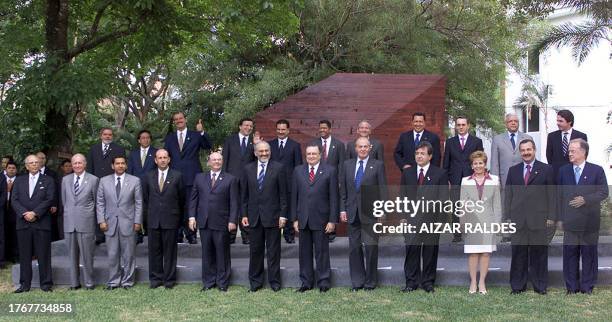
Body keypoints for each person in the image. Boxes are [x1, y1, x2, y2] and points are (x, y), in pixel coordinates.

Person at [504, 139, 556, 295]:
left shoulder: (546, 169)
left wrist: (551, 216)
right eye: (523, 150)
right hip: (518, 219)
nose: (526, 153)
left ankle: (540, 286)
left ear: (534, 150)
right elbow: (508, 195)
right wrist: (507, 217)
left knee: (539, 254)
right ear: (520, 152)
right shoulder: (513, 170)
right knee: (518, 254)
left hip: (539, 219)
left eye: (529, 149)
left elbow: (552, 195)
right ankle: (517, 286)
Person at [558, 139, 608, 294]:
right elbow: (558, 195)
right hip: (570, 222)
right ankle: (571, 288)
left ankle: (587, 287)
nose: (569, 153)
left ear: (583, 152)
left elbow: (603, 192)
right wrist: (559, 218)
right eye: (569, 150)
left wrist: (586, 200)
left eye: (573, 150)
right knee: (570, 254)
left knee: (588, 255)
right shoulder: (563, 170)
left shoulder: (597, 170)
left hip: (589, 222)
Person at [339, 137, 387, 291]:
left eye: (366, 146)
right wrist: (342, 209)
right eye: (360, 146)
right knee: (354, 248)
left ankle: (370, 282)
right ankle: (357, 282)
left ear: (370, 147)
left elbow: (383, 190)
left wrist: (382, 211)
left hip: (372, 213)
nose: (363, 149)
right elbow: (343, 191)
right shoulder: (347, 165)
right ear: (355, 147)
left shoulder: (378, 165)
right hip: (352, 212)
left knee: (371, 248)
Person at [400, 141, 448, 293]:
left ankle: (428, 282)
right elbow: (402, 197)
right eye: (417, 153)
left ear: (430, 156)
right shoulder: (407, 173)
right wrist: (402, 216)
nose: (419, 156)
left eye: (422, 153)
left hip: (431, 220)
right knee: (412, 251)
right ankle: (411, 282)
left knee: (429, 252)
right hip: (411, 220)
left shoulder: (439, 173)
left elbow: (443, 198)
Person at [189, 152, 239, 292]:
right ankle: (208, 282)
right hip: (204, 222)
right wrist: (191, 217)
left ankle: (222, 282)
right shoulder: (199, 178)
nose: (216, 162)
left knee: (222, 253)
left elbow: (234, 202)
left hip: (222, 222)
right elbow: (193, 199)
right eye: (214, 160)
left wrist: (232, 220)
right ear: (209, 162)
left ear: (222, 162)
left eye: (219, 160)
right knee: (207, 253)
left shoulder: (230, 179)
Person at [241, 141, 288, 292]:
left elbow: (283, 195)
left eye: (266, 151)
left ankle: (274, 282)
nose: (264, 154)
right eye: (260, 151)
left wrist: (283, 215)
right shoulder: (248, 169)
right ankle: (255, 282)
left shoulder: (279, 168)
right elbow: (244, 195)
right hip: (254, 217)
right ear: (255, 153)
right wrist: (244, 214)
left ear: (270, 151)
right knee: (255, 251)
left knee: (273, 251)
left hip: (273, 217)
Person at [291, 144, 338, 293]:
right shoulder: (298, 171)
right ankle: (306, 282)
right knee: (304, 253)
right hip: (303, 218)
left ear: (320, 155)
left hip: (322, 219)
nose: (311, 156)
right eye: (308, 154)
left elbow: (334, 198)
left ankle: (323, 281)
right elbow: (294, 197)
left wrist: (332, 220)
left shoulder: (330, 171)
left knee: (322, 252)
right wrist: (295, 219)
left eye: (314, 154)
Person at [164, 112, 211, 244]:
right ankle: (178, 233)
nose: (179, 121)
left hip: (192, 175)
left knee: (192, 205)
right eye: (176, 119)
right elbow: (166, 156)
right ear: (174, 122)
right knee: (176, 205)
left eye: (181, 118)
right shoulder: (170, 138)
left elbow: (208, 145)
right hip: (174, 177)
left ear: (185, 119)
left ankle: (191, 233)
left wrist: (201, 132)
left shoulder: (195, 135)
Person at [96, 156, 143, 290]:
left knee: (129, 255)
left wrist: (137, 221)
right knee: (112, 255)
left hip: (128, 223)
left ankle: (127, 282)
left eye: (123, 163)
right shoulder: (104, 181)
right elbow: (100, 202)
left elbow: (139, 203)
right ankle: (113, 282)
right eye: (117, 163)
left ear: (126, 166)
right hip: (109, 224)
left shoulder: (135, 181)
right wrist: (101, 220)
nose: (120, 166)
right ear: (113, 166)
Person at [11, 155, 56, 293]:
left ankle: (46, 284)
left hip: (41, 222)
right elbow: (14, 200)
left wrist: (35, 213)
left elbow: (49, 199)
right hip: (23, 223)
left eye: (37, 162)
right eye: (31, 163)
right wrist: (25, 213)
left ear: (40, 164)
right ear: (26, 166)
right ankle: (24, 284)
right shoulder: (19, 180)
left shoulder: (48, 180)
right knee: (24, 255)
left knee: (44, 254)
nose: (34, 165)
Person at [460, 151, 501, 295]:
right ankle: (473, 281)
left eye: (480, 163)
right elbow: (462, 204)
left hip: (488, 221)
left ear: (485, 164)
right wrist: (462, 222)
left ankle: (482, 281)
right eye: (475, 163)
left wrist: (497, 223)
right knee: (472, 253)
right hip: (472, 221)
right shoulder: (465, 181)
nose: (478, 165)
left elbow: (497, 205)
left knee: (485, 253)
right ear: (472, 166)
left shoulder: (494, 180)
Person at [142, 149, 184, 289]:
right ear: (155, 160)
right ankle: (155, 279)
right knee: (154, 251)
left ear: (169, 159)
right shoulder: (148, 176)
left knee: (170, 252)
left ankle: (169, 280)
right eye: (160, 158)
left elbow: (182, 198)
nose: (162, 160)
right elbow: (146, 199)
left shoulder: (177, 176)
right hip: (153, 219)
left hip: (171, 219)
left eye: (165, 157)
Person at [61, 154, 99, 290]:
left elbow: (97, 202)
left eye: (79, 163)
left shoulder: (94, 180)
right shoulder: (65, 180)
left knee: (87, 255)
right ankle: (74, 283)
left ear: (85, 164)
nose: (77, 165)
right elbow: (64, 201)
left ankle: (89, 282)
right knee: (72, 256)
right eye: (74, 163)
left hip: (86, 222)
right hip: (70, 222)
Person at [443, 116, 483, 242]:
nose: (460, 127)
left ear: (468, 126)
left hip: (472, 179)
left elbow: (480, 161)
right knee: (456, 206)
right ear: (455, 126)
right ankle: (457, 234)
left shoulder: (476, 141)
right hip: (454, 179)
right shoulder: (450, 142)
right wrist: (446, 180)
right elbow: (446, 163)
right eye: (458, 125)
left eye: (463, 124)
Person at [87, 127, 126, 244]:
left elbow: (121, 166)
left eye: (110, 135)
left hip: (112, 183)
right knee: (98, 207)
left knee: (112, 207)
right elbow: (90, 167)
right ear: (101, 136)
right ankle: (99, 235)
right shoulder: (94, 149)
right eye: (105, 134)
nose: (107, 136)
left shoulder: (118, 149)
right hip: (97, 183)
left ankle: (112, 232)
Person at [222, 118, 258, 244]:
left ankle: (246, 236)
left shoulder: (254, 142)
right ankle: (231, 236)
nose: (248, 128)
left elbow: (258, 161)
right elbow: (225, 160)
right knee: (231, 205)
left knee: (245, 205)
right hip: (231, 179)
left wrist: (256, 145)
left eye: (251, 126)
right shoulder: (229, 140)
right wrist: (224, 177)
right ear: (240, 126)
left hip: (248, 179)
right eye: (246, 125)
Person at [268, 119, 302, 244]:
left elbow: (298, 166)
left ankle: (289, 234)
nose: (281, 131)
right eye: (278, 129)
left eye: (283, 129)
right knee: (274, 208)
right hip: (272, 183)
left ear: (288, 130)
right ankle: (274, 235)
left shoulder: (295, 145)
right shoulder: (269, 145)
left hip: (289, 183)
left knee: (288, 208)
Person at [311, 120, 344, 242]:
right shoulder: (314, 143)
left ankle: (332, 231)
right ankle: (320, 228)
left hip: (333, 180)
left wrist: (340, 180)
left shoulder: (339, 144)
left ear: (330, 129)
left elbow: (341, 164)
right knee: (320, 203)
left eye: (325, 128)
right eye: (320, 128)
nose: (322, 130)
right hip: (318, 180)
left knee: (332, 203)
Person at [128, 130, 158, 245]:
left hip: (151, 186)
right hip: (135, 185)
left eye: (147, 137)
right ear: (139, 140)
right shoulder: (133, 154)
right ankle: (138, 233)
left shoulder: (156, 152)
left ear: (150, 139)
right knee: (136, 209)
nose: (145, 140)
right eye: (143, 138)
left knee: (149, 209)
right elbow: (130, 170)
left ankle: (149, 232)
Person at [490, 113, 532, 188]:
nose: (513, 123)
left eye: (516, 121)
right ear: (506, 124)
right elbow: (494, 164)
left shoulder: (528, 138)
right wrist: (495, 182)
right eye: (510, 121)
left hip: (523, 179)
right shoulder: (497, 139)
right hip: (504, 180)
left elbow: (532, 160)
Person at [546, 110, 588, 180]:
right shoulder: (552, 136)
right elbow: (549, 156)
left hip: (574, 174)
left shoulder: (581, 136)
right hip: (556, 175)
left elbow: (583, 155)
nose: (557, 123)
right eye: (557, 121)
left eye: (561, 121)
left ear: (569, 122)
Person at [37, 152, 61, 241]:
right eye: (39, 158)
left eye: (43, 158)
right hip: (34, 205)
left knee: (49, 227)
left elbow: (56, 190)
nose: (41, 160)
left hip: (49, 206)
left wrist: (54, 204)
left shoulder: (52, 173)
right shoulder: (28, 173)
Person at [3, 161, 19, 263]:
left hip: (15, 212)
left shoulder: (20, 180)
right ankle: (5, 256)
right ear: (6, 169)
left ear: (16, 170)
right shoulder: (1, 180)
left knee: (15, 235)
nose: (11, 170)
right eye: (9, 168)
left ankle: (15, 256)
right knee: (5, 234)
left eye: (13, 168)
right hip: (3, 211)